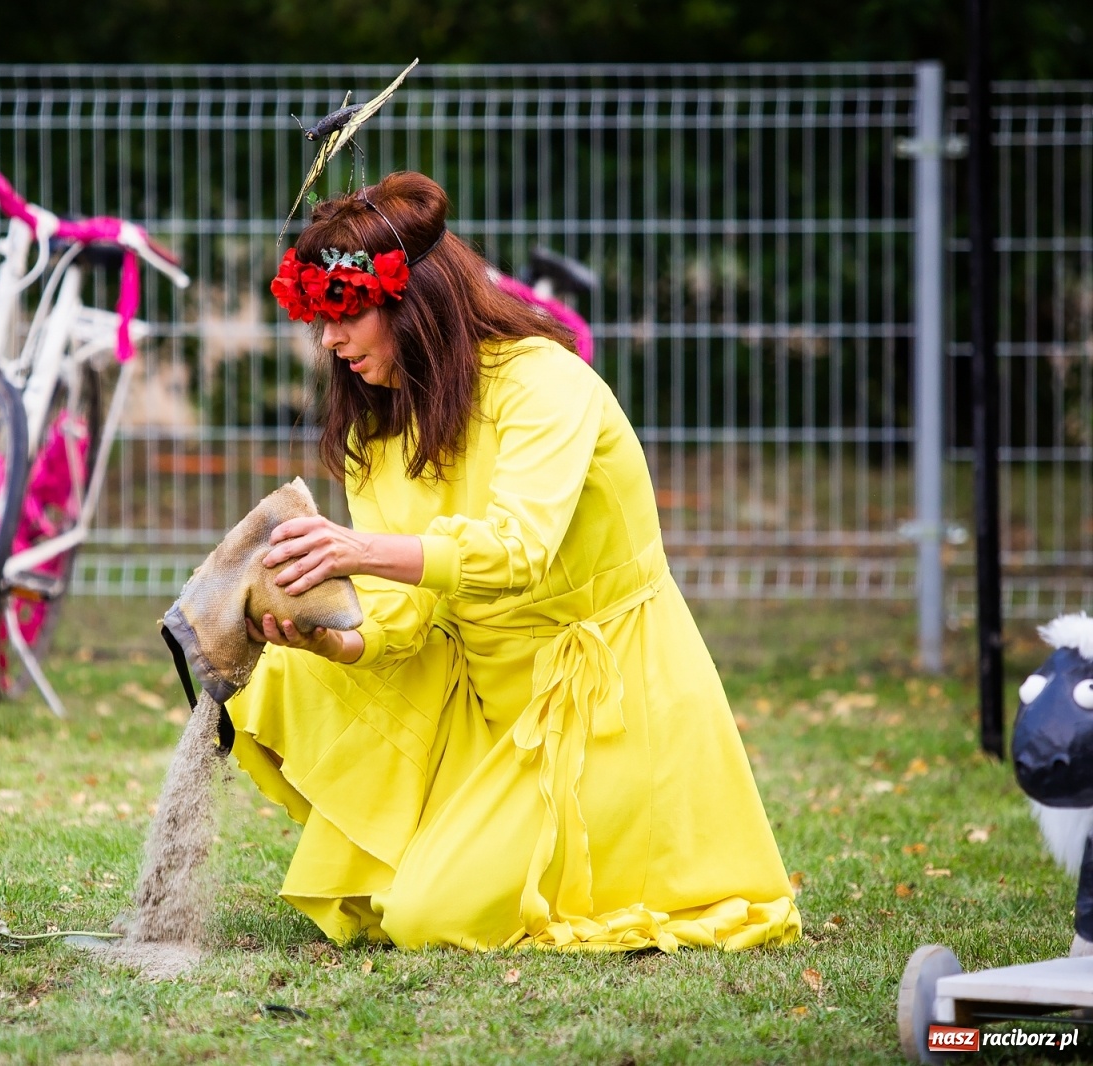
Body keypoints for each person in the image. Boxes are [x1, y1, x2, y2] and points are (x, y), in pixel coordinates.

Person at [228, 170, 800, 952]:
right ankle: (451, 839)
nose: (329, 340)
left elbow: (518, 549)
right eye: (318, 319)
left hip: (604, 705)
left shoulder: (543, 382)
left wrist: (355, 549)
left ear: (416, 303)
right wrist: (334, 639)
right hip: (481, 695)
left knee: (429, 918)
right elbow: (410, 606)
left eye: (348, 313)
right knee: (285, 672)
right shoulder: (378, 427)